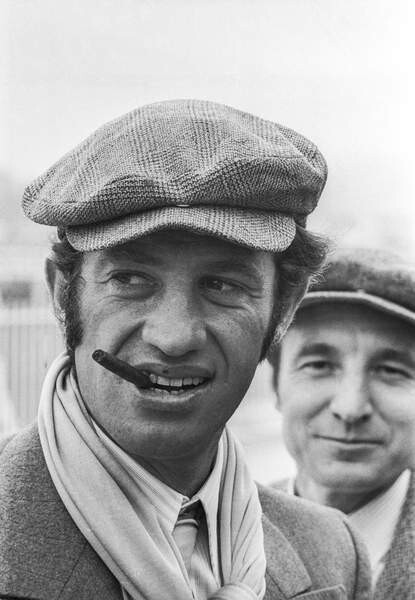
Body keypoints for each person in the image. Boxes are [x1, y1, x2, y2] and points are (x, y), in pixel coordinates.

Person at [0, 100, 371, 600]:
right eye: (129, 279)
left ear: (283, 309)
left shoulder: (331, 554)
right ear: (61, 295)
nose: (174, 337)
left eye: (222, 285)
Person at [270, 246, 415, 599]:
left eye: (391, 371)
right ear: (276, 386)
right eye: (319, 365)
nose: (350, 408)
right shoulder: (214, 535)